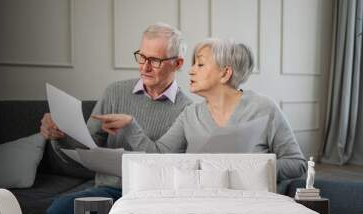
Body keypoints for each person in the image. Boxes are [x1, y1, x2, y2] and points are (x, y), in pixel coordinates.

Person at [41, 23, 192, 214]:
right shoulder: (115, 92)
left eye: (155, 60)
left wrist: (131, 125)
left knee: (63, 211)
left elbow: (162, 166)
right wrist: (58, 135)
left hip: (151, 196)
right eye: (142, 56)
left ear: (178, 63)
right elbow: (85, 150)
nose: (144, 67)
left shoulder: (187, 110)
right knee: (61, 211)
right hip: (107, 190)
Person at [94, 38, 307, 180]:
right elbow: (159, 156)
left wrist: (248, 168)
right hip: (199, 205)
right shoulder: (190, 114)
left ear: (225, 73)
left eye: (200, 64)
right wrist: (131, 125)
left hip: (251, 204)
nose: (191, 71)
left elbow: (297, 164)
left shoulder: (264, 108)